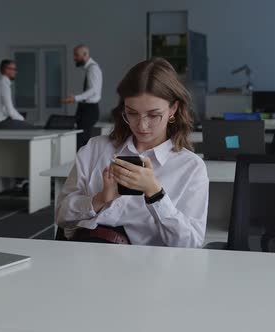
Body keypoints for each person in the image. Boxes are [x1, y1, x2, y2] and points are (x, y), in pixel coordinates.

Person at [56, 58, 209, 247]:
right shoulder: (96, 148)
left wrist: (155, 194)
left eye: (153, 115)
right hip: (84, 252)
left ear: (173, 109)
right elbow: (61, 216)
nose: (142, 125)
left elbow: (191, 243)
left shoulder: (190, 167)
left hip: (143, 266)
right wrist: (100, 199)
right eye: (132, 113)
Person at [63, 45, 102, 149]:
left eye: (76, 55)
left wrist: (75, 98)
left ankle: (82, 164)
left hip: (89, 109)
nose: (74, 58)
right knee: (80, 139)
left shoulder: (93, 69)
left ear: (85, 55)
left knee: (82, 140)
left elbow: (93, 90)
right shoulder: (90, 68)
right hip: (86, 108)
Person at [0, 59, 34, 129]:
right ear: (7, 70)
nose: (16, 72)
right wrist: (23, 120)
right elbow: (10, 110)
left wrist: (19, 117)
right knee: (32, 128)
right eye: (14, 69)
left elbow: (5, 109)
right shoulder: (3, 84)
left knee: (21, 119)